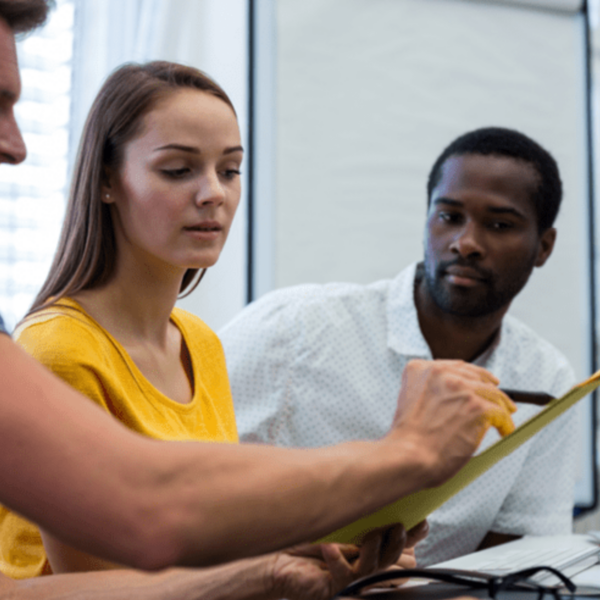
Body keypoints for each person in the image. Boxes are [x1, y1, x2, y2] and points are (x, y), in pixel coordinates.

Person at [0, 2, 516, 597]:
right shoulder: (60, 347)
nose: (213, 194)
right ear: (107, 181)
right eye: (178, 171)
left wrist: (321, 550)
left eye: (231, 169)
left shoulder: (199, 342)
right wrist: (397, 460)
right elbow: (109, 578)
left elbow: (200, 547)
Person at [221, 127, 579, 566]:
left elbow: (518, 558)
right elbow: (184, 490)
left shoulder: (547, 380)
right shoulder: (292, 329)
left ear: (543, 247)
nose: (465, 243)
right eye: (448, 216)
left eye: (499, 225)